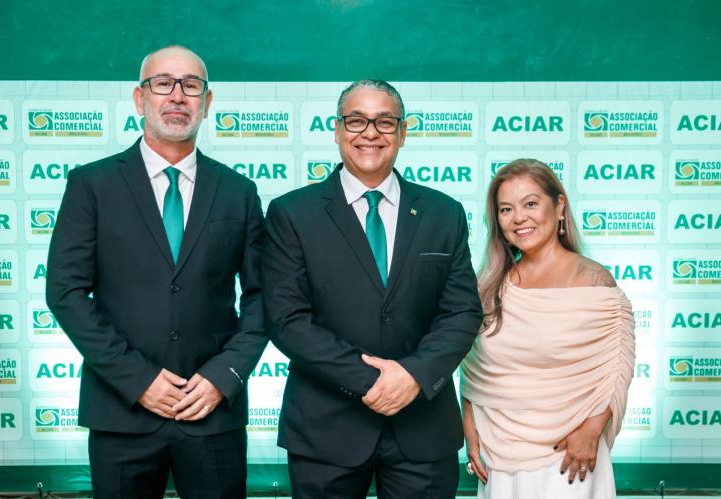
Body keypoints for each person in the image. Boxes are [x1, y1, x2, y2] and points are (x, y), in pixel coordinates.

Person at [45, 45, 267, 499]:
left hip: (212, 412)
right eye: (163, 83)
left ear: (207, 101)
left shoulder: (239, 191)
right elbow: (65, 292)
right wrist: (137, 379)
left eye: (191, 85)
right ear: (139, 98)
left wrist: (225, 376)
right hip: (121, 411)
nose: (177, 95)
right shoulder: (91, 185)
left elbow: (264, 297)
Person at [263, 79, 483, 498]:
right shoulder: (292, 213)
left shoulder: (444, 213)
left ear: (402, 132)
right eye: (356, 120)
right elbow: (286, 320)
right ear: (337, 129)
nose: (370, 133)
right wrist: (373, 380)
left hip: (422, 429)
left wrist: (413, 376)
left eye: (384, 121)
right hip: (325, 431)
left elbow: (462, 312)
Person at [461, 159, 635, 498]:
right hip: (499, 452)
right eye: (506, 209)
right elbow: (473, 370)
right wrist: (470, 430)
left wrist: (591, 430)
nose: (518, 218)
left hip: (569, 454)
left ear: (559, 206)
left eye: (530, 204)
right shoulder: (490, 285)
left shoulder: (592, 280)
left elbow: (617, 367)